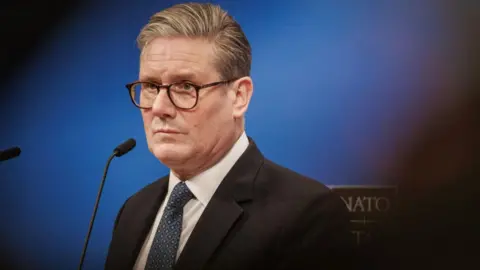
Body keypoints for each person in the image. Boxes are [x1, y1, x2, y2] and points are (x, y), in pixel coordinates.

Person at [105, 3, 354, 270]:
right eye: (151, 86)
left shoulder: (307, 215)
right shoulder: (134, 211)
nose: (159, 108)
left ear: (239, 96)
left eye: (186, 86)